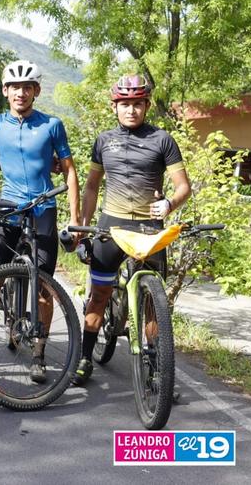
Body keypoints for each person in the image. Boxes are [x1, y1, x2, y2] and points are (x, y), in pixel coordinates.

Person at [72, 74, 191, 385]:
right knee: (99, 295)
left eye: (137, 104)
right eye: (125, 104)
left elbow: (183, 187)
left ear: (146, 106)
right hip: (110, 226)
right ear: (115, 106)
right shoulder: (103, 141)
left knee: (153, 304)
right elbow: (92, 187)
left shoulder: (163, 139)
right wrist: (84, 228)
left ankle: (158, 371)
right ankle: (85, 358)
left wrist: (169, 205)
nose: (131, 110)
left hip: (150, 228)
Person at [0, 60, 80, 383]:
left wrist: (74, 220)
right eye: (15, 87)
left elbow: (70, 170)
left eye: (27, 87)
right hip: (8, 209)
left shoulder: (52, 125)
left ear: (36, 91)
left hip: (43, 206)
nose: (21, 92)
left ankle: (39, 351)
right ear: (5, 91)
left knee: (44, 282)